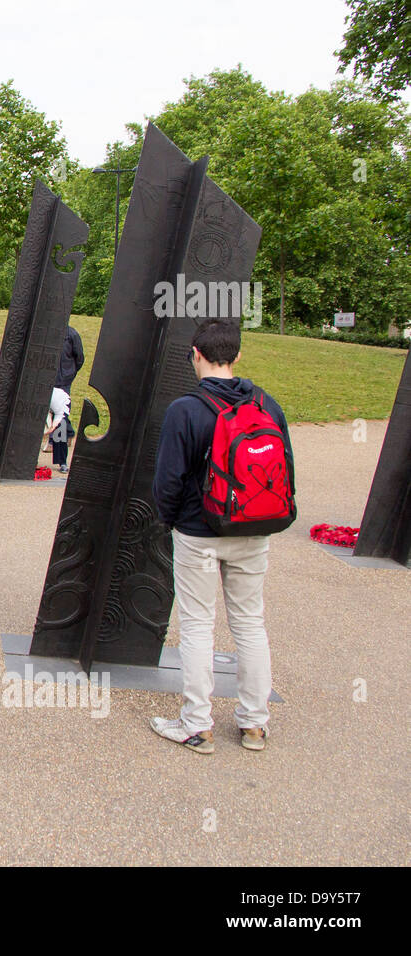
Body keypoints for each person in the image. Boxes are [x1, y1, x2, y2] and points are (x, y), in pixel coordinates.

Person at [149, 317, 294, 755]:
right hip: (255, 528)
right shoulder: (268, 406)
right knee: (250, 623)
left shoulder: (185, 410)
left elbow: (168, 481)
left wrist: (170, 520)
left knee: (197, 626)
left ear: (195, 353)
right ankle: (253, 724)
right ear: (237, 356)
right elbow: (285, 467)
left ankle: (197, 724)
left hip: (199, 530)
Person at [56, 324, 85, 440]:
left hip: (64, 379)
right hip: (50, 378)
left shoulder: (71, 334)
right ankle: (68, 433)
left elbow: (79, 357)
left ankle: (59, 440)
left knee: (61, 410)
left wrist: (69, 372)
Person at [46, 386, 70, 473]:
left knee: (60, 429)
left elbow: (59, 414)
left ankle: (63, 462)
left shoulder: (57, 399)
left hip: (61, 404)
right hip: (46, 406)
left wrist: (52, 427)